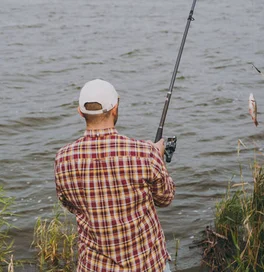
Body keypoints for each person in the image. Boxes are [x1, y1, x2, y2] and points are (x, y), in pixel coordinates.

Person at [55, 79, 175, 272]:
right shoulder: (145, 153)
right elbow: (165, 198)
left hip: (94, 267)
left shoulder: (63, 158)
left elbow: (69, 204)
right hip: (147, 265)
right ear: (115, 109)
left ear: (80, 112)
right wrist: (157, 159)